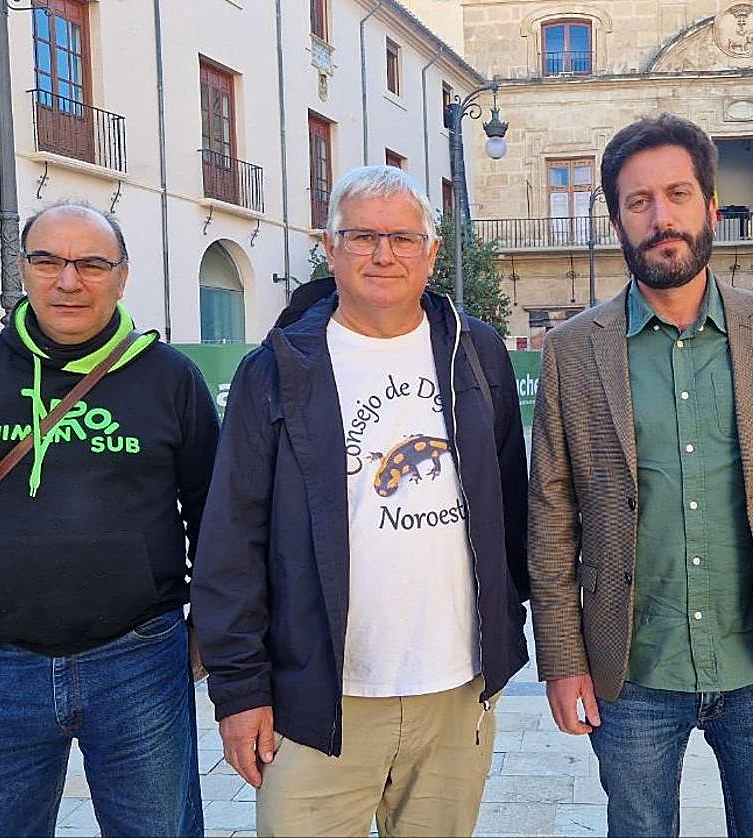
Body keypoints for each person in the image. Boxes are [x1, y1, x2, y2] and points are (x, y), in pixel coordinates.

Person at [527, 114, 753, 837]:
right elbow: (552, 515)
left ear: (711, 206)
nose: (662, 218)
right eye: (639, 202)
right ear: (617, 222)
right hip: (631, 675)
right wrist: (560, 657)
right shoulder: (572, 350)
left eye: (678, 194)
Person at [191, 165, 529, 837]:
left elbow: (511, 506)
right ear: (330, 247)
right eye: (362, 236)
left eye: (403, 238)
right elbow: (231, 540)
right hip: (317, 698)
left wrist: (508, 629)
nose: (383, 254)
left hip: (454, 691)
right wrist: (240, 690)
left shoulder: (477, 354)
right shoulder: (276, 369)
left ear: (431, 252)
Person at [0, 203, 218, 836]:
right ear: (22, 269)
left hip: (139, 661)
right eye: (47, 261)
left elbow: (212, 515)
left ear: (122, 276)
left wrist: (208, 628)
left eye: (91, 263)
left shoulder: (171, 380)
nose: (68, 281)